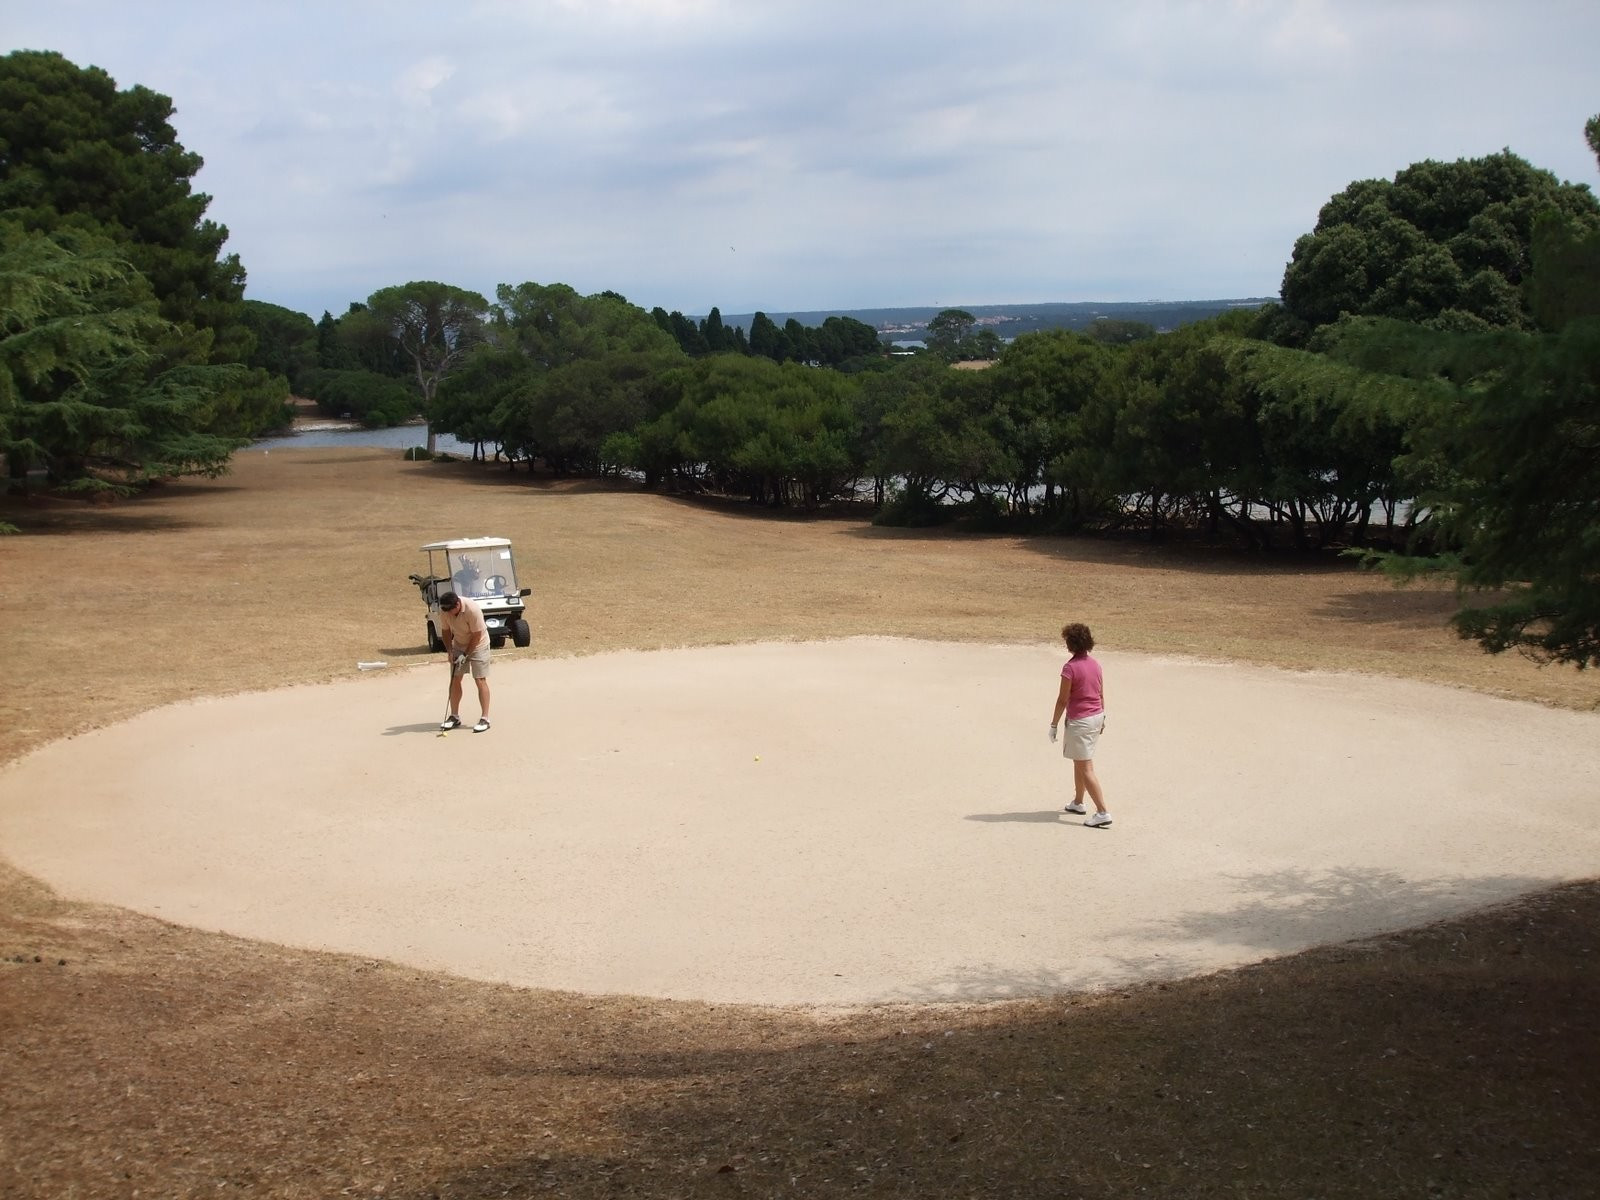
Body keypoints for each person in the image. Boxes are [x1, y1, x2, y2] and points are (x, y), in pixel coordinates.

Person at [1049, 622, 1111, 827]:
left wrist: (1053, 724)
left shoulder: (1070, 667)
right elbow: (1100, 693)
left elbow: (1062, 699)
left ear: (1071, 643)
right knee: (1081, 760)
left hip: (1081, 721)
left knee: (1086, 767)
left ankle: (1102, 812)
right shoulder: (1095, 664)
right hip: (1096, 717)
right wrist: (1103, 718)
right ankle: (1078, 802)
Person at [436, 591, 492, 733]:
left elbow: (477, 635)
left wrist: (465, 655)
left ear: (458, 604)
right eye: (445, 610)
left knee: (479, 679)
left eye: (450, 610)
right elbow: (446, 631)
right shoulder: (445, 610)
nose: (447, 613)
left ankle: (485, 718)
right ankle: (454, 716)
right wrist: (450, 652)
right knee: (455, 679)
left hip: (479, 645)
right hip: (459, 645)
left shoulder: (472, 609)